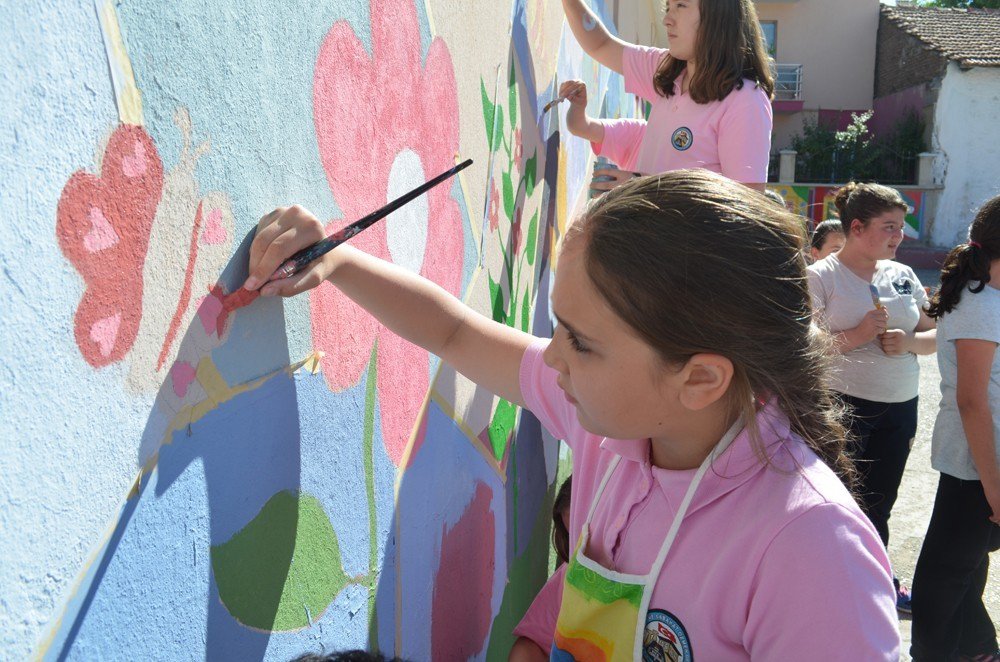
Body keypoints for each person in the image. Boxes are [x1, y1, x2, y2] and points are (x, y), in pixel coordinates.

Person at [245, 169, 899, 659]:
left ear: (700, 378)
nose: (553, 359)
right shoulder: (615, 425)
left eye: (580, 342)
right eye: (559, 328)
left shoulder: (812, 552)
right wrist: (334, 259)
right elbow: (457, 336)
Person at [807, 182, 937, 614]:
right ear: (856, 228)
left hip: (901, 404)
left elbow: (935, 333)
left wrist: (912, 345)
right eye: (889, 227)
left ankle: (878, 578)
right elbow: (802, 349)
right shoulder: (821, 276)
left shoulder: (901, 274)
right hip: (844, 406)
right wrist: (858, 335)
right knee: (841, 500)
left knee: (883, 498)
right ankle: (831, 584)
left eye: (901, 227)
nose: (899, 236)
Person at [910, 195, 1000, 662]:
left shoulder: (988, 296)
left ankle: (976, 647)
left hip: (983, 464)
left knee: (965, 565)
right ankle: (937, 653)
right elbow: (971, 401)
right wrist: (994, 487)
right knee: (943, 578)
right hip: (977, 465)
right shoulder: (980, 307)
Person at [560, 0, 774, 194]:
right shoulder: (668, 70)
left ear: (719, 15)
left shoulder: (745, 100)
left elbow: (746, 209)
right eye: (667, 7)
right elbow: (601, 44)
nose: (667, 20)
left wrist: (643, 186)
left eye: (681, 6)